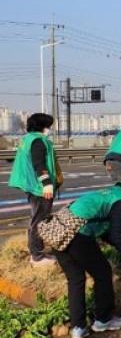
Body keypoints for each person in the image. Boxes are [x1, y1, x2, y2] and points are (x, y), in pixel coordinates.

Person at [57, 176, 121, 338]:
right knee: (103, 273)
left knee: (76, 279)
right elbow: (115, 235)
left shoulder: (110, 194)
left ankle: (78, 328)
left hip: (57, 234)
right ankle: (103, 320)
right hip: (77, 236)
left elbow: (107, 234)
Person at [8, 112, 63, 267]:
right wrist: (46, 183)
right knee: (40, 221)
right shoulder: (38, 141)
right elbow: (39, 163)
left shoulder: (27, 139)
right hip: (39, 187)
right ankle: (37, 257)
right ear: (43, 126)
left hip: (32, 185)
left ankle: (36, 253)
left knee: (37, 219)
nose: (50, 129)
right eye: (49, 126)